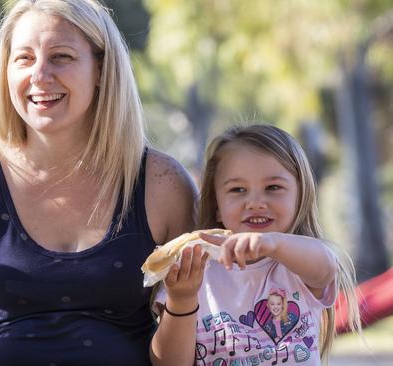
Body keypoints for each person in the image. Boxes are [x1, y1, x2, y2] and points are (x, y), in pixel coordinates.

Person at [0, 0, 197, 365]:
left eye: (61, 56)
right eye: (24, 59)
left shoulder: (164, 184)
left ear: (101, 68)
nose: (40, 75)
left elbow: (202, 333)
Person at [150, 124, 361, 366]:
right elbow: (168, 363)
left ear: (300, 196)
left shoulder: (300, 264)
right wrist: (182, 300)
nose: (256, 202)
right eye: (238, 189)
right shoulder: (194, 270)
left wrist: (271, 243)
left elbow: (326, 266)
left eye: (273, 188)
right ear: (217, 205)